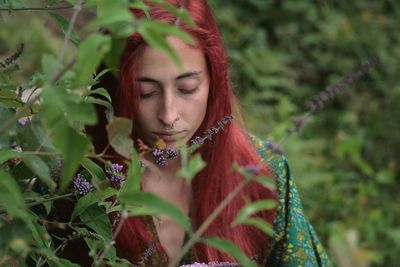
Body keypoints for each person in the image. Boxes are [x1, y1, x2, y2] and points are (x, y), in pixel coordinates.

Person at [84, 0, 332, 266]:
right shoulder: (78, 179)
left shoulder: (262, 173)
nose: (168, 115)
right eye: (145, 92)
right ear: (115, 87)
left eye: (187, 88)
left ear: (214, 82)